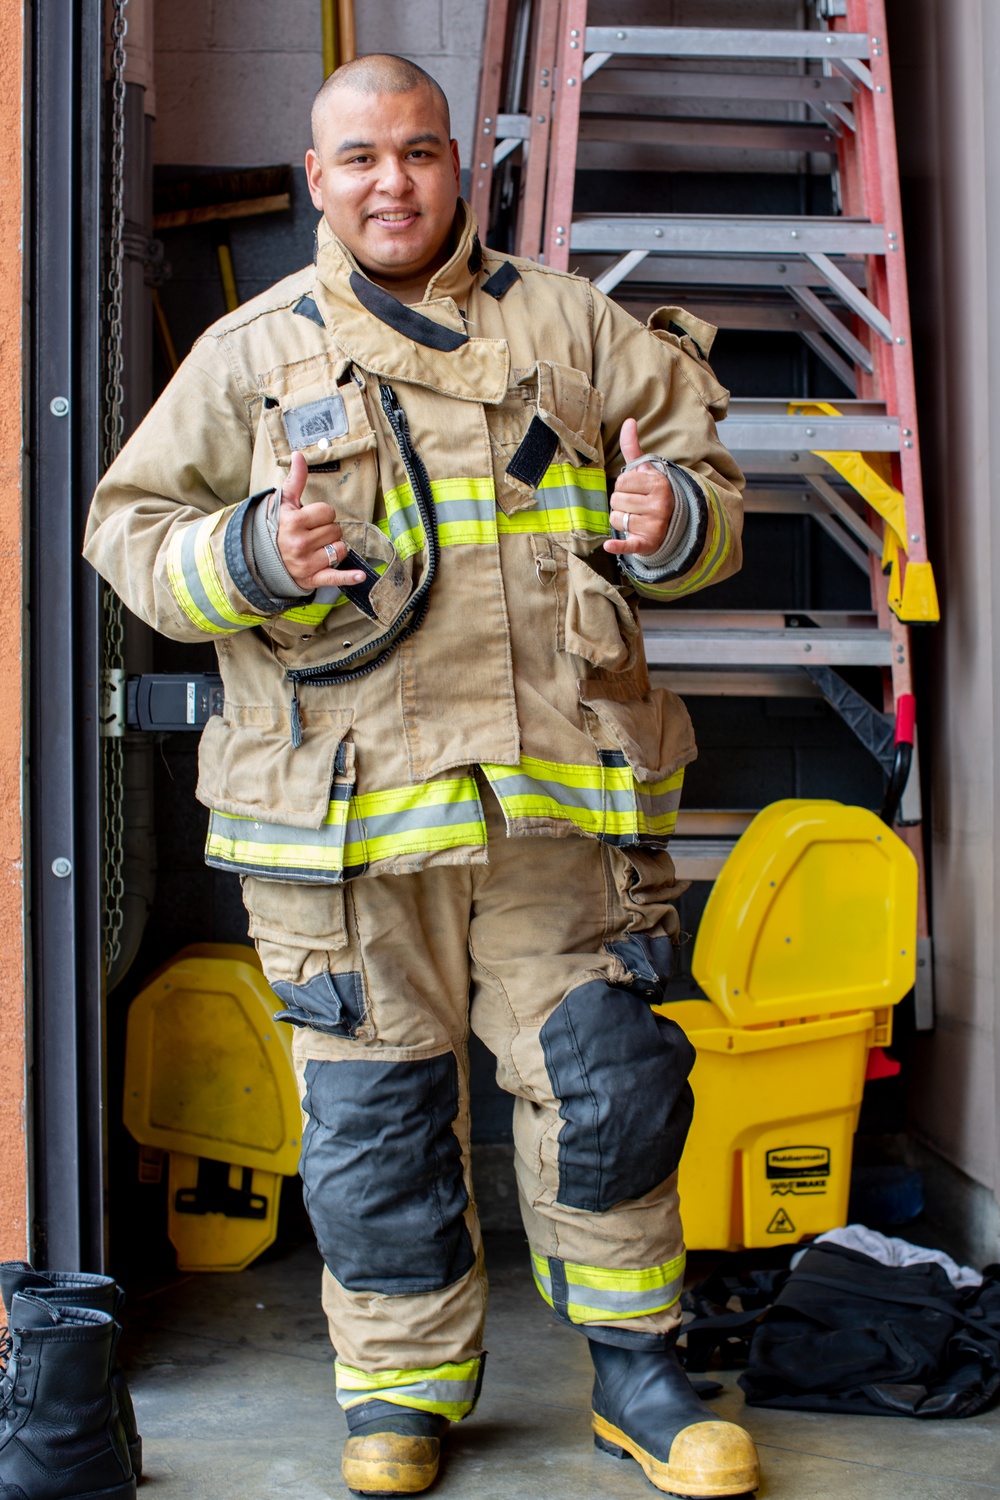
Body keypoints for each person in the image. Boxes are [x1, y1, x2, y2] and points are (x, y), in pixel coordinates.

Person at [85, 53, 758, 1500]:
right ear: (319, 182)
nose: (394, 181)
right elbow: (127, 529)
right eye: (361, 159)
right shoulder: (251, 354)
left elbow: (708, 491)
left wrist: (673, 515)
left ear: (462, 167)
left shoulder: (574, 325)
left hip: (558, 819)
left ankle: (639, 1374)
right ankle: (398, 1397)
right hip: (347, 830)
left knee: (612, 1090)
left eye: (421, 151)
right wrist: (251, 558)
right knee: (376, 1123)